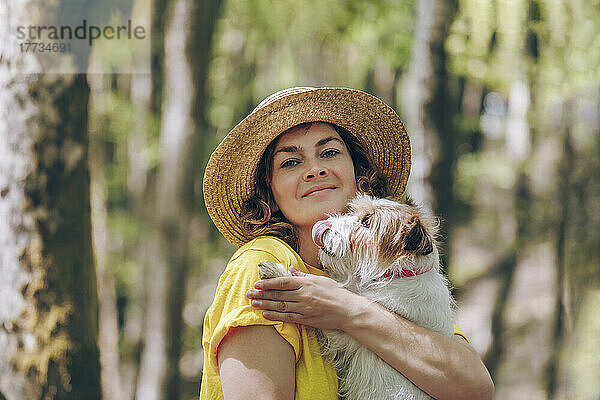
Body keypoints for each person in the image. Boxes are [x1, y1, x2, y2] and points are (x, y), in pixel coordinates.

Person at [200, 87, 494, 400]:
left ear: (359, 174)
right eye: (290, 163)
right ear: (269, 194)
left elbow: (475, 389)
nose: (315, 169)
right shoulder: (262, 266)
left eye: (329, 153)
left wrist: (346, 309)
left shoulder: (390, 270)